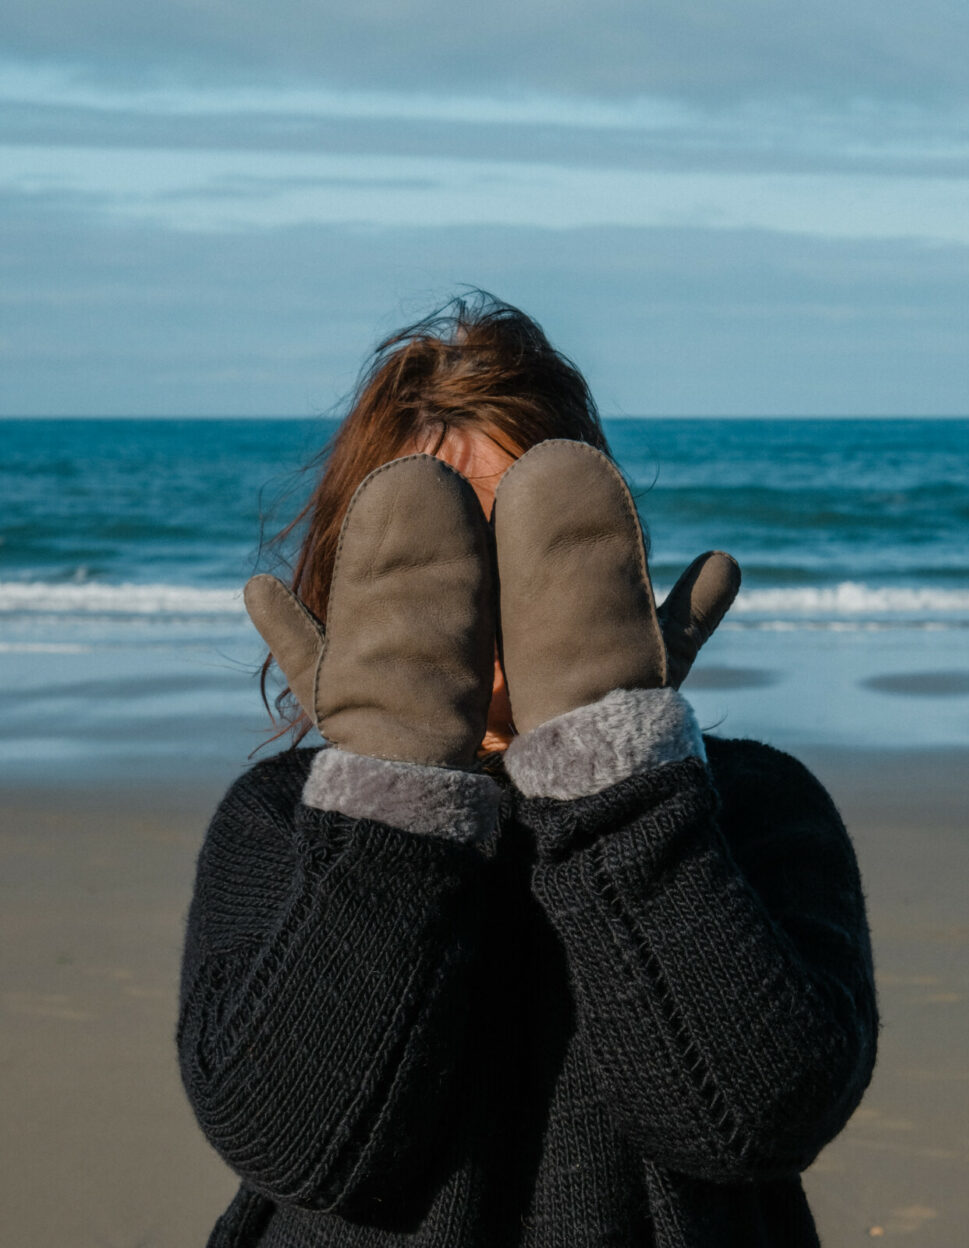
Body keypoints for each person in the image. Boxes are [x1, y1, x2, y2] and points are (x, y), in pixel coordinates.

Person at [177, 294, 878, 1247]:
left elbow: (750, 1122)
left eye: (519, 534)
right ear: (348, 572)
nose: (474, 584)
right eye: (434, 541)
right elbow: (299, 1144)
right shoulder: (280, 821)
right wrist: (395, 786)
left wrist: (614, 768)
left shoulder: (752, 805)